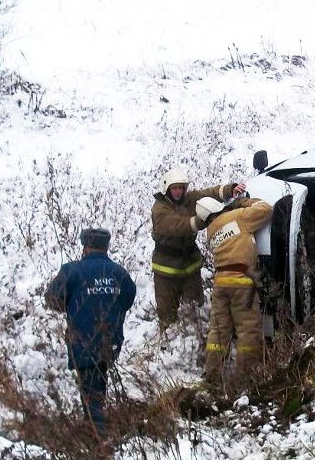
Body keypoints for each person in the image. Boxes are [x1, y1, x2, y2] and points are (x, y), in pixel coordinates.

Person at [44, 227, 136, 439]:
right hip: (110, 340)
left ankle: (97, 437)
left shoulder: (72, 271)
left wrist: (72, 308)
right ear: (106, 247)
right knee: (98, 382)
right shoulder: (118, 272)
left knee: (90, 390)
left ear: (84, 247)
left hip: (82, 340)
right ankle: (95, 428)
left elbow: (52, 298)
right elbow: (128, 298)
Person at [151, 168, 244, 333]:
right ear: (166, 189)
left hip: (190, 266)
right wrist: (203, 221)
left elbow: (208, 194)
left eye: (181, 188)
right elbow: (177, 225)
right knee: (167, 315)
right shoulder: (159, 209)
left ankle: (195, 342)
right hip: (166, 271)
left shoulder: (189, 199)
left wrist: (230, 189)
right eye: (175, 188)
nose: (178, 191)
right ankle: (166, 345)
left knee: (195, 311)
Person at [197, 195, 273, 385]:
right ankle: (247, 377)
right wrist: (244, 202)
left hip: (220, 284)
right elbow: (266, 209)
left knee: (218, 332)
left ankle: (213, 376)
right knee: (248, 329)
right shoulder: (238, 216)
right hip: (241, 283)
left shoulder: (211, 232)